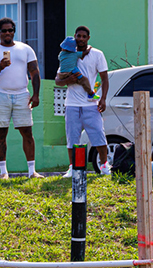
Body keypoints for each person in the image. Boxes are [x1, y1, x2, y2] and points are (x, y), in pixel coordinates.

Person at [0, 17, 44, 180]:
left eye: (10, 30)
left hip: (22, 93)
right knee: (1, 134)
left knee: (27, 132)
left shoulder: (25, 49)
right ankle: (3, 172)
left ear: (14, 31)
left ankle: (32, 171)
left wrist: (36, 94)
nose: (8, 33)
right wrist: (0, 66)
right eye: (4, 30)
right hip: (0, 94)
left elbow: (34, 72)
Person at [54, 26, 111, 178]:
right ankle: (73, 168)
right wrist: (69, 80)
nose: (80, 39)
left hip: (91, 104)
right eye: (78, 36)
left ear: (88, 38)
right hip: (72, 104)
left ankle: (104, 165)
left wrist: (103, 98)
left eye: (84, 36)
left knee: (98, 134)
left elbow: (104, 78)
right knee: (72, 138)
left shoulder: (97, 54)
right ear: (75, 36)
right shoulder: (67, 53)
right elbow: (58, 81)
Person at [57, 36, 99, 101]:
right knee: (84, 80)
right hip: (71, 72)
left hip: (62, 74)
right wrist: (89, 47)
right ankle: (91, 94)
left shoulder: (61, 54)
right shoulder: (75, 54)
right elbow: (85, 53)